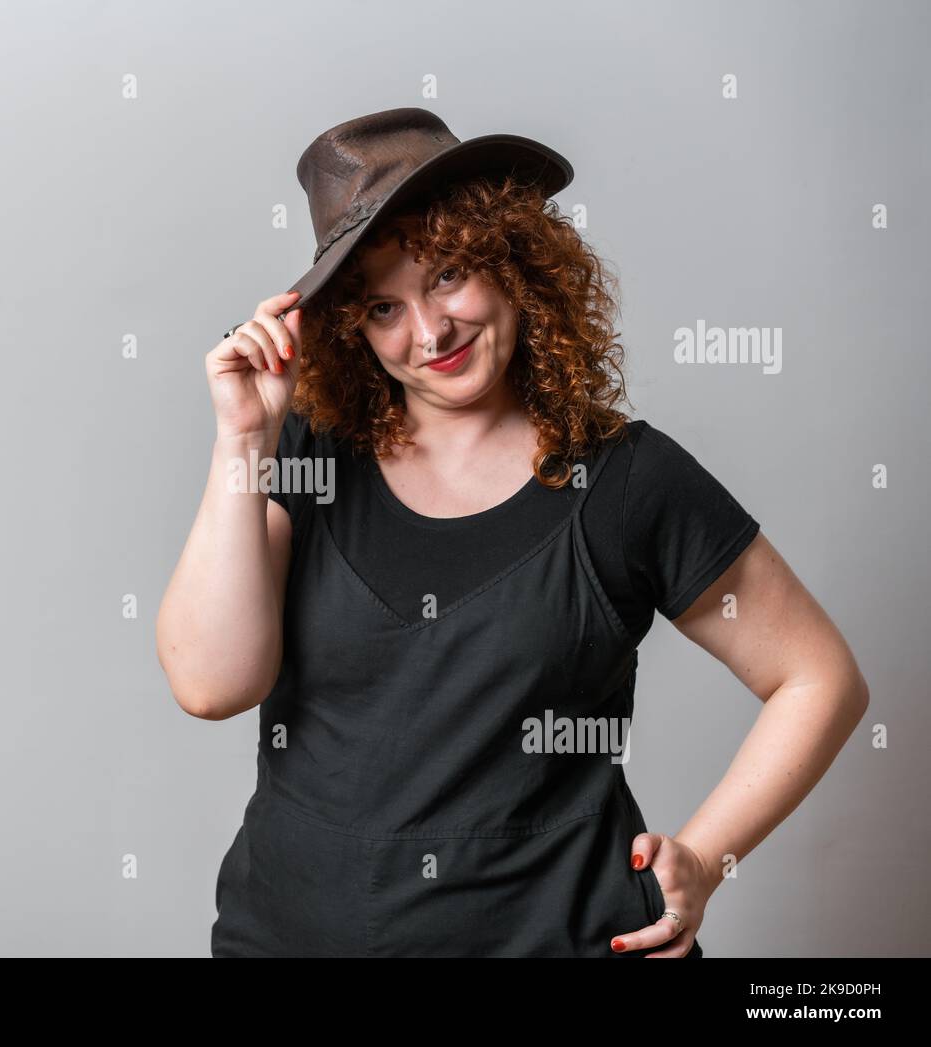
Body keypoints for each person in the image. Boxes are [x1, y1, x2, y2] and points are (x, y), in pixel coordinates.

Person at [155, 108, 870, 957]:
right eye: (384, 305)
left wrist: (705, 862)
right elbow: (210, 683)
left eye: (450, 273)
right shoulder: (309, 453)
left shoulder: (625, 481)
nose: (429, 333)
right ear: (353, 327)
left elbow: (818, 678)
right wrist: (243, 437)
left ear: (514, 261)